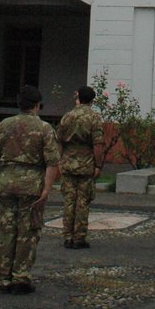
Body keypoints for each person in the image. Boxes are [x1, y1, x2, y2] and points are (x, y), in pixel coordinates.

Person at [0, 85, 60, 294]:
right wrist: (47, 188)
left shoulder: (3, 125)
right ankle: (21, 277)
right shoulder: (44, 128)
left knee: (6, 231)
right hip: (31, 184)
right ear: (37, 105)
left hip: (5, 182)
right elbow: (53, 161)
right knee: (27, 232)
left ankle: (4, 277)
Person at [56, 85, 106, 249]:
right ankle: (79, 237)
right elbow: (97, 144)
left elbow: (59, 140)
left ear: (79, 98)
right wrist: (98, 165)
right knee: (83, 201)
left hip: (68, 162)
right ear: (92, 100)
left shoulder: (68, 116)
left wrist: (60, 160)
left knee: (69, 200)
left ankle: (67, 236)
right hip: (86, 163)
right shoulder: (94, 117)